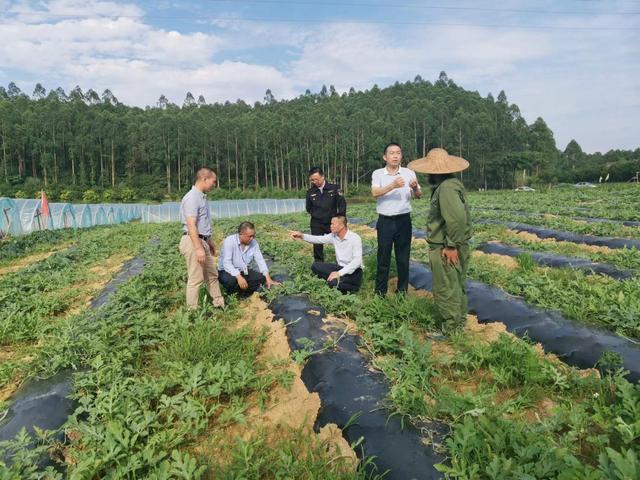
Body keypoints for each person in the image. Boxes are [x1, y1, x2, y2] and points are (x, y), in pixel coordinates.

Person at [407, 148, 472, 334]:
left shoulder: (447, 188)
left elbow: (457, 218)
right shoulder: (450, 184)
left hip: (446, 246)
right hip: (453, 244)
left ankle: (451, 329)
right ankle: (458, 324)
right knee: (455, 284)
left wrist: (450, 245)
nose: (427, 174)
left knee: (446, 287)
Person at [371, 142, 422, 295]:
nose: (395, 155)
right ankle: (380, 293)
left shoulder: (409, 172)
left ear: (401, 156)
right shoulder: (378, 173)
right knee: (383, 257)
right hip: (385, 221)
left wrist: (414, 188)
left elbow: (419, 195)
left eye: (398, 153)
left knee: (403, 258)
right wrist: (392, 185)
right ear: (385, 157)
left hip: (403, 221)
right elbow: (375, 193)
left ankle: (402, 292)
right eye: (392, 153)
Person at [179, 167, 225, 310]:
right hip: (193, 242)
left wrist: (209, 241)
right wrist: (198, 248)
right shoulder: (192, 198)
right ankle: (192, 311)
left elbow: (202, 223)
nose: (214, 185)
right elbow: (191, 225)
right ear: (204, 179)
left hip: (202, 241)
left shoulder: (202, 197)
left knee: (212, 275)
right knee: (196, 278)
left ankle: (219, 304)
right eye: (213, 181)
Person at [289, 216, 363, 294]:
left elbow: (357, 261)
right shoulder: (333, 236)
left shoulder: (355, 238)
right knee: (315, 266)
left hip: (354, 272)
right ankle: (337, 281)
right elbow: (318, 239)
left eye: (333, 224)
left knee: (333, 283)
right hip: (339, 268)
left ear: (341, 226)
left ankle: (353, 287)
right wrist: (302, 236)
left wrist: (339, 273)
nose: (330, 226)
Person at [218, 221, 279, 295]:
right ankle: (231, 293)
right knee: (230, 280)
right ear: (241, 234)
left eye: (253, 236)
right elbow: (226, 263)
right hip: (226, 271)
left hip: (242, 270)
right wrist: (238, 277)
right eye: (250, 236)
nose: (252, 238)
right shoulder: (230, 241)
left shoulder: (254, 243)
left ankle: (242, 291)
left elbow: (260, 260)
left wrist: (268, 279)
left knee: (261, 278)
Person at [305, 167, 347, 262]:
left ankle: (342, 264)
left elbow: (342, 205)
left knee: (340, 242)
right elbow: (308, 208)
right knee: (317, 246)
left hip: (332, 222)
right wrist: (317, 215)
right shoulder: (310, 192)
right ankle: (319, 266)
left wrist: (340, 220)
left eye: (317, 179)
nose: (315, 181)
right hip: (317, 223)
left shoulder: (334, 188)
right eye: (312, 180)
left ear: (323, 176)